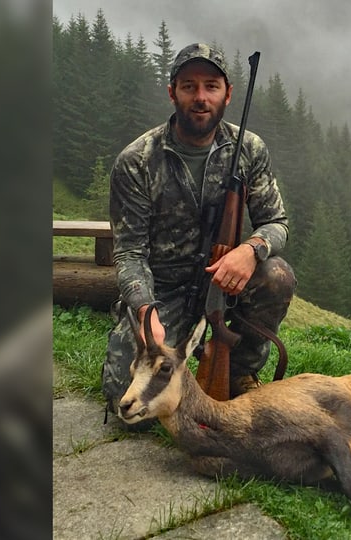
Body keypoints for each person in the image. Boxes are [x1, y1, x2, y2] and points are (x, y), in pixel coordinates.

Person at [102, 43, 296, 414]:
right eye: (189, 86)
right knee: (122, 399)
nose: (200, 97)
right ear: (172, 92)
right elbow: (129, 252)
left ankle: (238, 371)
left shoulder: (249, 150)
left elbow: (276, 223)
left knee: (277, 276)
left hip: (226, 281)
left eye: (211, 86)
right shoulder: (137, 161)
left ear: (228, 94)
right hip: (164, 291)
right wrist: (144, 310)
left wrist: (250, 249)